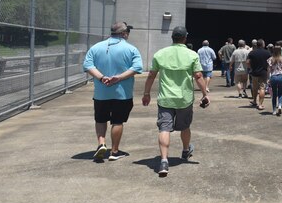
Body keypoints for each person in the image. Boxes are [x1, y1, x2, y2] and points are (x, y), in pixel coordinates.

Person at [142, 26, 209, 177]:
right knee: (185, 127)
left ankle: (164, 161)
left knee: (164, 128)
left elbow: (151, 75)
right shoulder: (192, 55)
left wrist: (146, 93)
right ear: (185, 38)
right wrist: (205, 94)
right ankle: (185, 151)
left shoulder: (160, 54)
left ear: (172, 37)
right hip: (184, 99)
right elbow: (198, 76)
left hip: (165, 99)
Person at [83, 22, 143, 161]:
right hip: (122, 94)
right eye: (127, 31)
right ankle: (114, 151)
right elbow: (137, 67)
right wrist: (119, 78)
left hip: (101, 93)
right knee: (117, 121)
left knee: (100, 119)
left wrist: (101, 77)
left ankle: (101, 143)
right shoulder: (131, 49)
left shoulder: (96, 47)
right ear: (123, 34)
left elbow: (87, 65)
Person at [247, 39, 270, 111]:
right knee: (262, 88)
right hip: (263, 73)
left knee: (255, 88)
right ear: (263, 44)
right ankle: (260, 104)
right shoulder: (267, 53)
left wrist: (251, 68)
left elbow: (247, 62)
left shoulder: (252, 53)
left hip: (254, 73)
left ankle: (254, 101)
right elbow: (270, 64)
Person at [268, 45, 282, 116]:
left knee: (274, 94)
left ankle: (274, 110)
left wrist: (268, 78)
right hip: (281, 76)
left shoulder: (270, 59)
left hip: (273, 77)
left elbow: (269, 69)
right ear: (280, 51)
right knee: (280, 93)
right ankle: (279, 106)